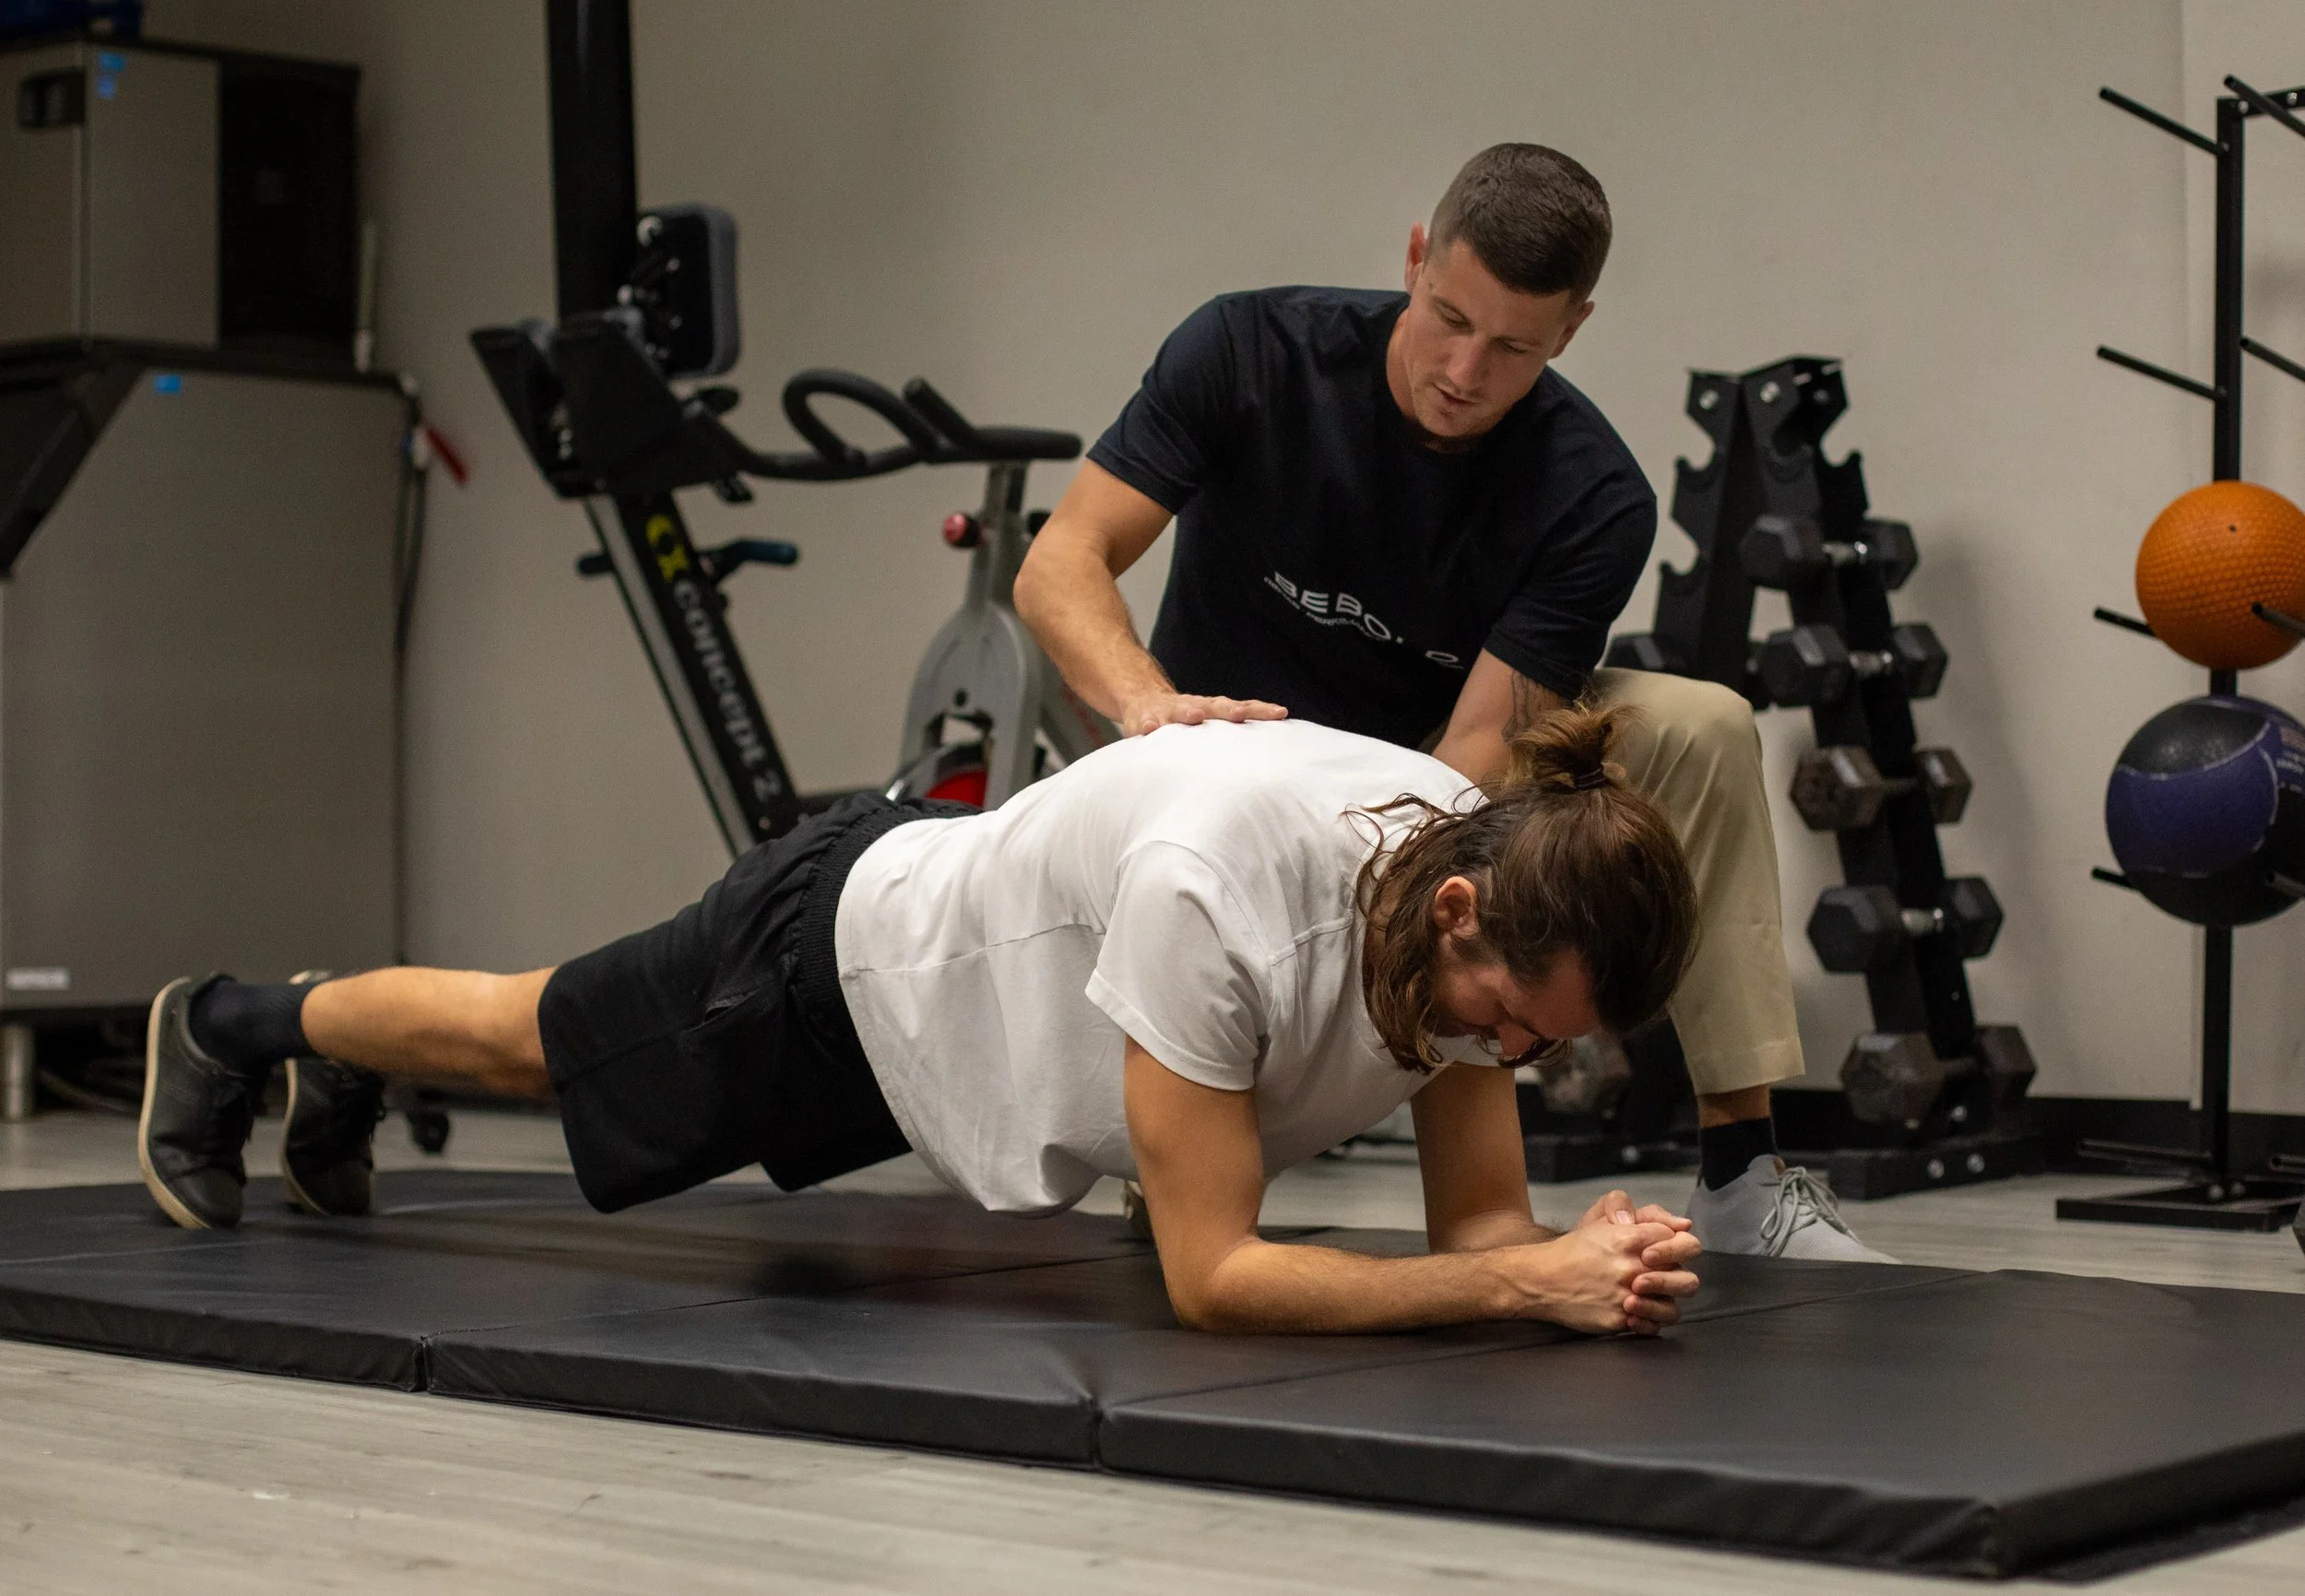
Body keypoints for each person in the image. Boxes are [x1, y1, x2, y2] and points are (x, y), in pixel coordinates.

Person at [137, 709, 1708, 1336]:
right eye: (1511, 1021)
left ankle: (311, 1055)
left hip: (953, 1038)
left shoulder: (1477, 866)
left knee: (529, 1038)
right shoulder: (1220, 897)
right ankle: (233, 1023)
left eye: (1540, 1048)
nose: (1510, 1061)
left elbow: (1484, 1224)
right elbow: (1214, 1278)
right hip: (832, 972)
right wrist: (1522, 1282)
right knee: (521, 1038)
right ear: (1457, 912)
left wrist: (1582, 1264)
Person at [1012, 142, 1885, 1261]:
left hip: (1430, 755)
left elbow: (1476, 748)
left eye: (1514, 345)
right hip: (1218, 753)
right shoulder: (1247, 350)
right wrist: (1149, 708)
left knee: (1703, 722)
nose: (1466, 370)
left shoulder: (1592, 491)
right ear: (1417, 257)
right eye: (1449, 318)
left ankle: (1738, 1169)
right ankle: (1187, 1151)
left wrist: (1426, 910)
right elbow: (1060, 564)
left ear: (1571, 328)